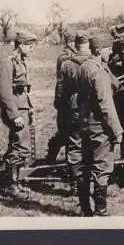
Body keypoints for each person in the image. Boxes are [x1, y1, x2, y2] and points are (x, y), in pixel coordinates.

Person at [75, 34, 123, 216]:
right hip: (100, 127)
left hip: (85, 124)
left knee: (86, 165)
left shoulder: (84, 68)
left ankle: (86, 209)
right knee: (102, 168)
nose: (110, 52)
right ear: (99, 50)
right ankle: (101, 211)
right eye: (108, 49)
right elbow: (106, 106)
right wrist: (117, 131)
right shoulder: (99, 72)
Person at [0, 30, 38, 198]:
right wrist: (15, 116)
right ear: (20, 45)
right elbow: (5, 93)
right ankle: (12, 186)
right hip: (16, 111)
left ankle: (14, 181)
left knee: (16, 144)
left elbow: (22, 89)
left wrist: (29, 107)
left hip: (23, 108)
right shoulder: (7, 63)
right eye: (29, 45)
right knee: (21, 147)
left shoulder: (20, 61)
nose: (31, 48)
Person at [48, 32, 87, 196]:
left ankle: (76, 178)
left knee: (72, 140)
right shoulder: (66, 59)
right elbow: (62, 86)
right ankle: (75, 182)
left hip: (70, 106)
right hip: (71, 107)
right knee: (72, 141)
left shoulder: (68, 59)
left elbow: (60, 88)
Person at [46, 31, 77, 164]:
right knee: (66, 132)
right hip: (65, 100)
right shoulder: (65, 58)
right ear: (69, 43)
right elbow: (62, 82)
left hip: (67, 99)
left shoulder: (69, 56)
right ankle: (57, 156)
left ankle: (66, 161)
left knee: (69, 131)